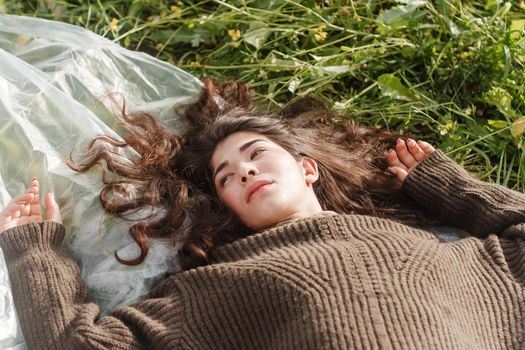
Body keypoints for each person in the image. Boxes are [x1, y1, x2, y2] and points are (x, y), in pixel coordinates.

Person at [0, 79, 524, 349]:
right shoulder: (217, 287)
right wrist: (36, 252)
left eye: (255, 155)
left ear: (308, 169)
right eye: (226, 176)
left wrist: (450, 189)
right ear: (225, 208)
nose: (244, 172)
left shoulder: (427, 248)